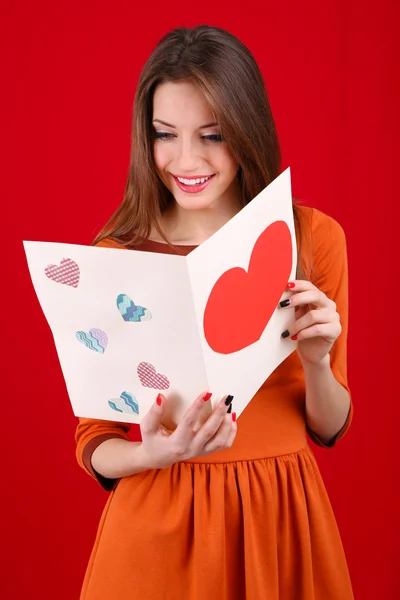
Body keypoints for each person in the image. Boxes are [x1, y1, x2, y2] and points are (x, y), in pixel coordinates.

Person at [76, 24, 354, 600]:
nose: (186, 160)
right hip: (159, 529)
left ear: (246, 131)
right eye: (164, 134)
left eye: (213, 134)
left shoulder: (312, 237)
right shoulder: (118, 254)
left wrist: (319, 361)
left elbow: (329, 425)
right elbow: (94, 438)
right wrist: (152, 452)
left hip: (280, 515)